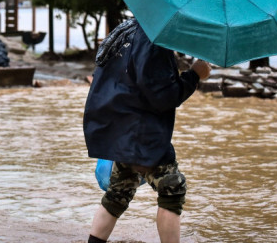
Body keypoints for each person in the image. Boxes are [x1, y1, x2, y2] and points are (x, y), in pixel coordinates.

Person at [83, 18, 211, 243]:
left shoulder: (128, 29)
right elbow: (163, 96)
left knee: (118, 193)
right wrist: (194, 75)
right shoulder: (154, 40)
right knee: (172, 188)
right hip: (141, 133)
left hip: (119, 127)